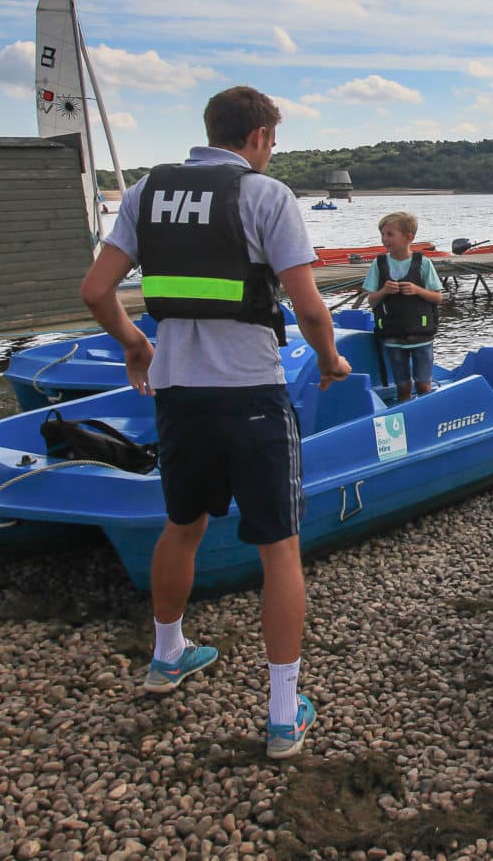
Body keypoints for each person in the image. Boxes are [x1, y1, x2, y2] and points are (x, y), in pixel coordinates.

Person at [78, 86, 352, 761]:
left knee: (184, 524)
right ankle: (284, 714)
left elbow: (94, 290)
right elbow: (310, 307)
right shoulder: (265, 196)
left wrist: (134, 345)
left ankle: (168, 653)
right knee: (278, 547)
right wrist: (330, 358)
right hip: (250, 393)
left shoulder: (145, 193)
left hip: (178, 393)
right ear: (258, 136)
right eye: (273, 141)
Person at [364, 211, 443, 402]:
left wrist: (417, 290)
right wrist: (383, 291)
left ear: (409, 237)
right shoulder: (379, 264)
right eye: (382, 234)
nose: (385, 239)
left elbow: (437, 298)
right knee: (403, 386)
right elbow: (372, 300)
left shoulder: (423, 263)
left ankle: (426, 415)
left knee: (423, 385)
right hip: (393, 337)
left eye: (390, 234)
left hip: (421, 337)